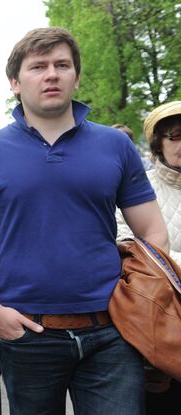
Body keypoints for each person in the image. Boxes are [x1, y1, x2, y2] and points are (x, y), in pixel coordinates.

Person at [0, 27, 169, 415]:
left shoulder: (115, 145)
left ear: (76, 77)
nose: (51, 74)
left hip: (113, 331)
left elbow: (152, 230)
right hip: (25, 332)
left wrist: (142, 299)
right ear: (15, 83)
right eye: (38, 67)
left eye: (62, 65)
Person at [116, 100, 181, 412]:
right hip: (159, 320)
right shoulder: (140, 188)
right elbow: (124, 239)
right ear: (159, 143)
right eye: (176, 136)